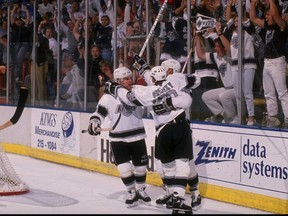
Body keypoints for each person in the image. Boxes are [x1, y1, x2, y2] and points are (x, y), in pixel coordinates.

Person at [105, 60, 201, 214]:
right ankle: (173, 195)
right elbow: (196, 80)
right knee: (170, 165)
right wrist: (143, 68)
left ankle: (195, 194)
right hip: (170, 127)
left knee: (184, 164)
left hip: (173, 127)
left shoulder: (149, 91)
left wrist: (116, 89)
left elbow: (186, 100)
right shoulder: (175, 80)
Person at [87, 66, 151, 208]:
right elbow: (100, 112)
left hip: (137, 135)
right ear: (118, 80)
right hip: (118, 139)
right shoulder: (107, 97)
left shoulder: (137, 92)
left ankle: (141, 190)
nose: (130, 80)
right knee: (124, 168)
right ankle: (131, 192)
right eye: (126, 78)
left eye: (130, 77)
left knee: (141, 168)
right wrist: (94, 122)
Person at [250, 0, 288, 128]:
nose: (266, 17)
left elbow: (277, 16)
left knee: (282, 92)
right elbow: (253, 18)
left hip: (277, 61)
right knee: (268, 92)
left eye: (268, 15)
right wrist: (253, 5)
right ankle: (273, 118)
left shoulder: (282, 26)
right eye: (265, 15)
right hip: (267, 61)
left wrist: (271, 1)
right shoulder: (267, 26)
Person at [195, 31, 238, 124]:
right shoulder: (216, 56)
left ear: (225, 49)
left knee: (224, 96)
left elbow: (229, 48)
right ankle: (224, 115)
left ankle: (234, 118)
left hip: (237, 89)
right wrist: (198, 36)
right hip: (227, 89)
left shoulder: (231, 56)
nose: (215, 48)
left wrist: (218, 34)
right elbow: (201, 55)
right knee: (206, 96)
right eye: (215, 46)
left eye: (218, 47)